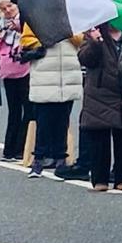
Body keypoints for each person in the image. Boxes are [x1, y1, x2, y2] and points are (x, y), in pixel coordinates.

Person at [77, 23, 122, 191]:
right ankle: (100, 179)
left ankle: (121, 178)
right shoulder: (94, 34)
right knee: (99, 138)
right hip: (99, 93)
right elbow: (85, 59)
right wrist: (95, 43)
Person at [23, 27, 82, 177]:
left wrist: (66, 32)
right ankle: (38, 159)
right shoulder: (36, 18)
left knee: (63, 121)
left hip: (67, 76)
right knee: (43, 121)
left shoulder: (71, 20)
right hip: (45, 76)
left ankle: (60, 159)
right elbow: (26, 40)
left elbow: (80, 40)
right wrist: (47, 35)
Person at [0, 0, 29, 160]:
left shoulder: (26, 22)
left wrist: (19, 29)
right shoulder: (1, 25)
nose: (8, 11)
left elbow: (32, 41)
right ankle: (10, 149)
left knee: (28, 110)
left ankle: (22, 147)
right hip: (8, 71)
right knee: (13, 111)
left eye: (10, 6)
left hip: (25, 69)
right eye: (4, 8)